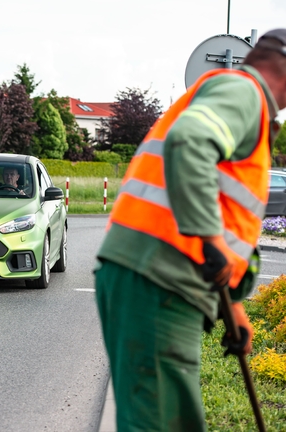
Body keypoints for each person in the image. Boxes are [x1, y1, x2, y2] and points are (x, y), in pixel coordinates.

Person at [94, 29, 286, 431]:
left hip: (158, 277)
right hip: (159, 277)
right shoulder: (244, 92)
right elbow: (190, 141)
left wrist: (231, 306)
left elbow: (224, 205)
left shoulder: (242, 101)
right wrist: (209, 239)